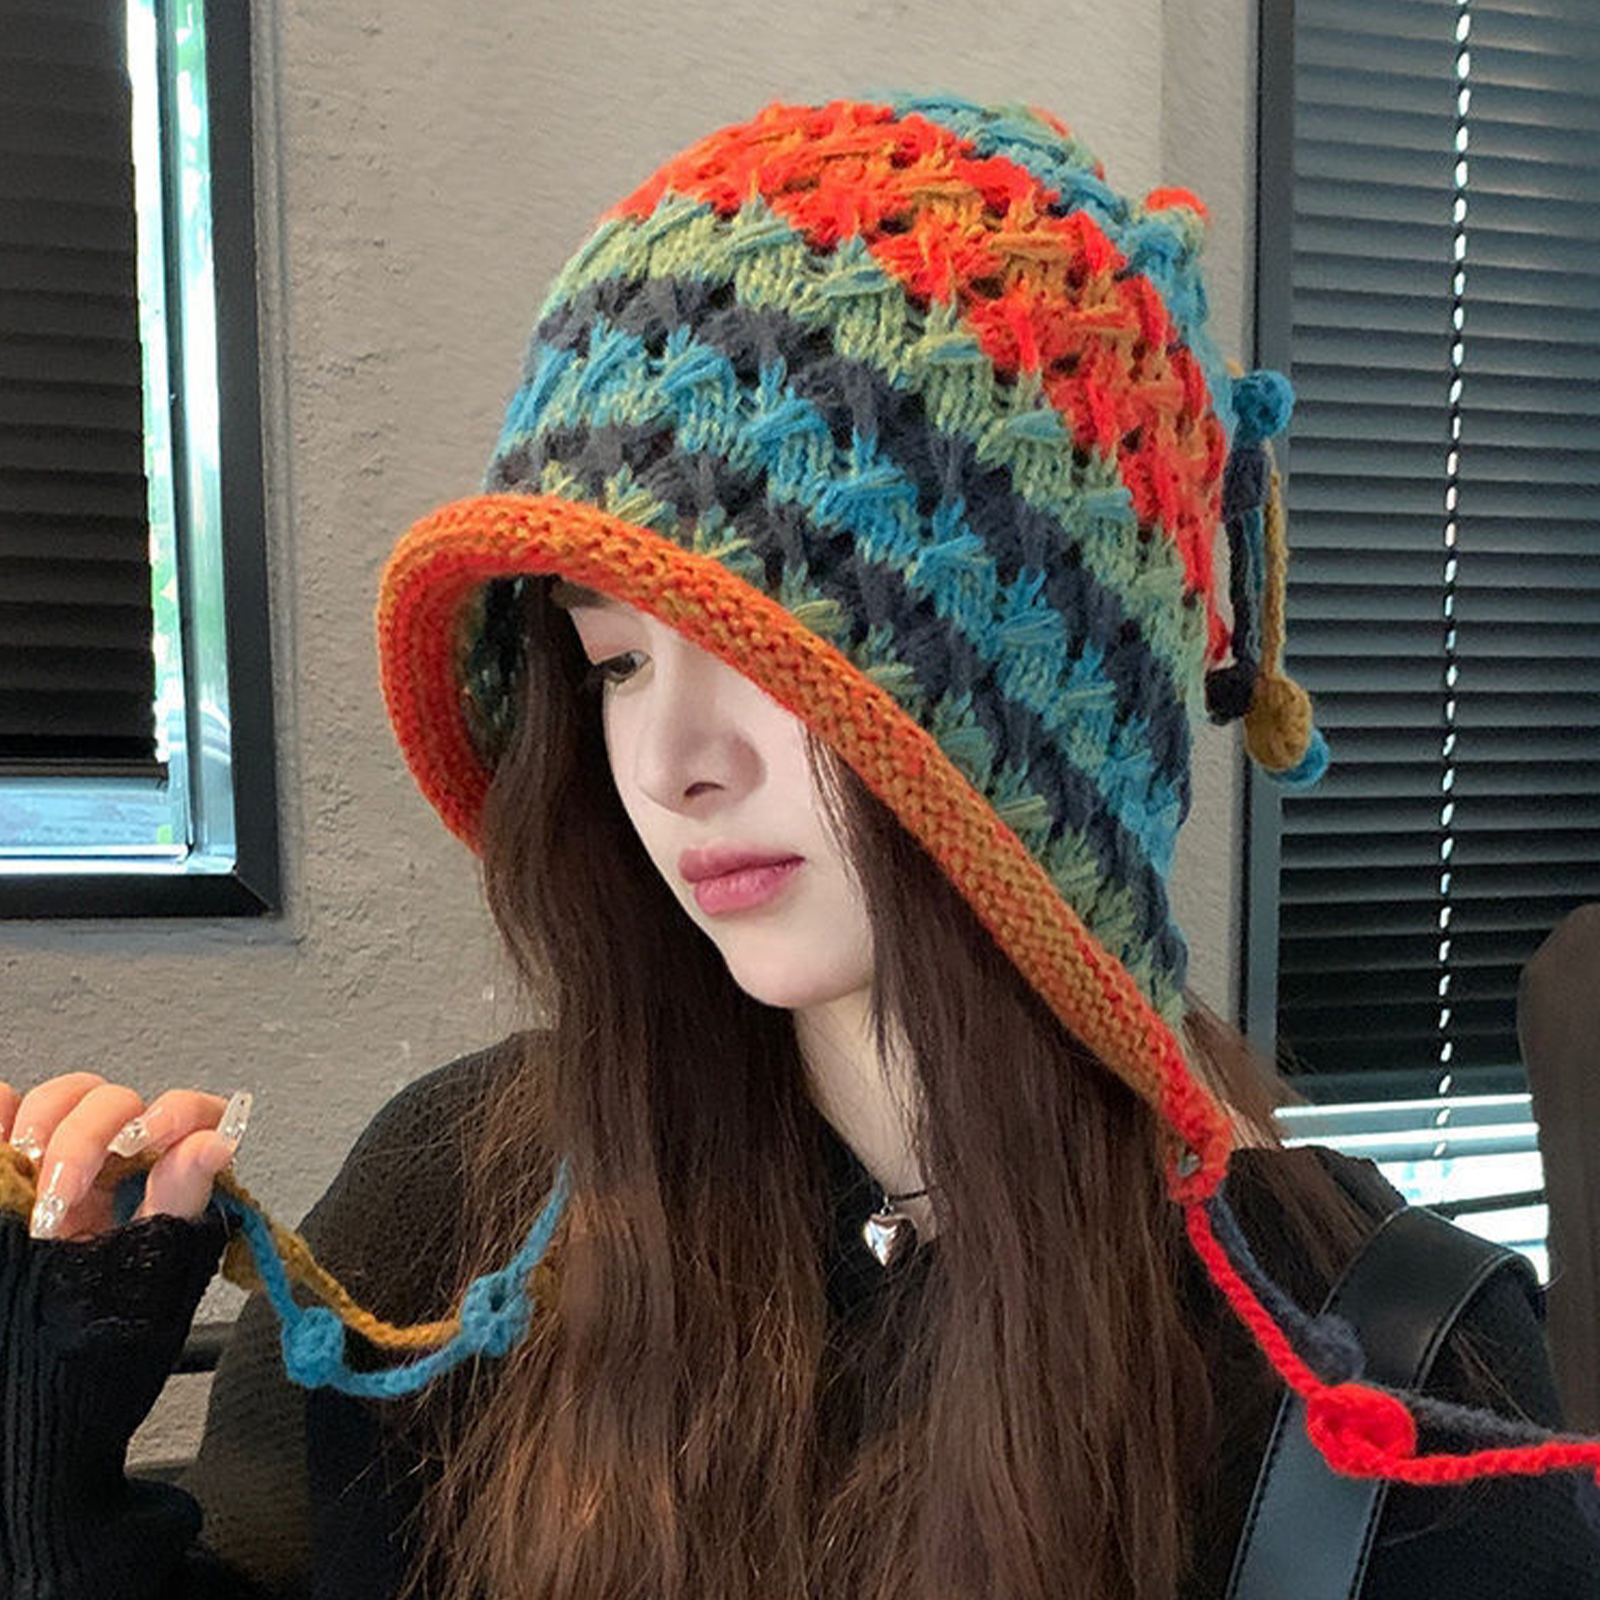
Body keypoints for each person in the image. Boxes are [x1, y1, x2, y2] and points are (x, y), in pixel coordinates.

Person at [3, 92, 1598, 1600]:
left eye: (778, 662)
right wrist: (52, 1494)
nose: (673, 767)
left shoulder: (1372, 1371)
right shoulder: (459, 1217)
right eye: (615, 664)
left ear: (1036, 714)